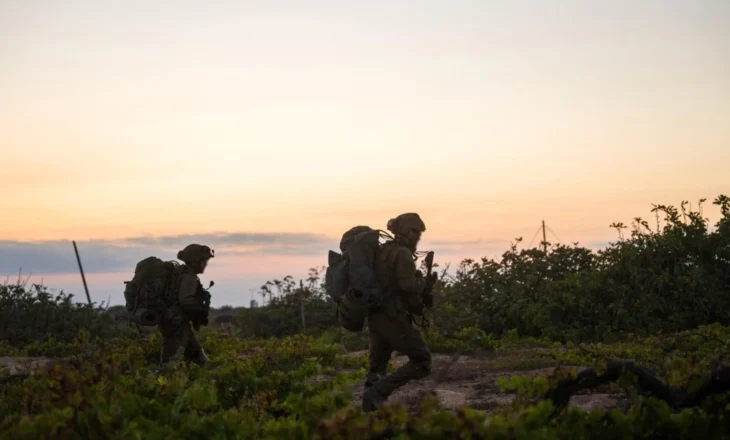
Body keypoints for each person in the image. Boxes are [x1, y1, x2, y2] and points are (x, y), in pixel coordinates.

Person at [362, 213, 437, 412]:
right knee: (422, 361)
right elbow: (407, 284)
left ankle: (370, 410)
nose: (418, 237)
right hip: (392, 317)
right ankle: (377, 394)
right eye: (415, 232)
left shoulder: (382, 250)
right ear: (406, 231)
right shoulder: (402, 254)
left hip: (375, 316)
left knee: (377, 368)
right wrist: (423, 282)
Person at [158, 243, 214, 366]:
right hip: (176, 325)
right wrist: (199, 311)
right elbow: (186, 301)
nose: (205, 264)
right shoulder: (188, 277)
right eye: (204, 261)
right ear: (195, 261)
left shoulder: (183, 274)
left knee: (199, 358)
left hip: (179, 324)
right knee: (169, 365)